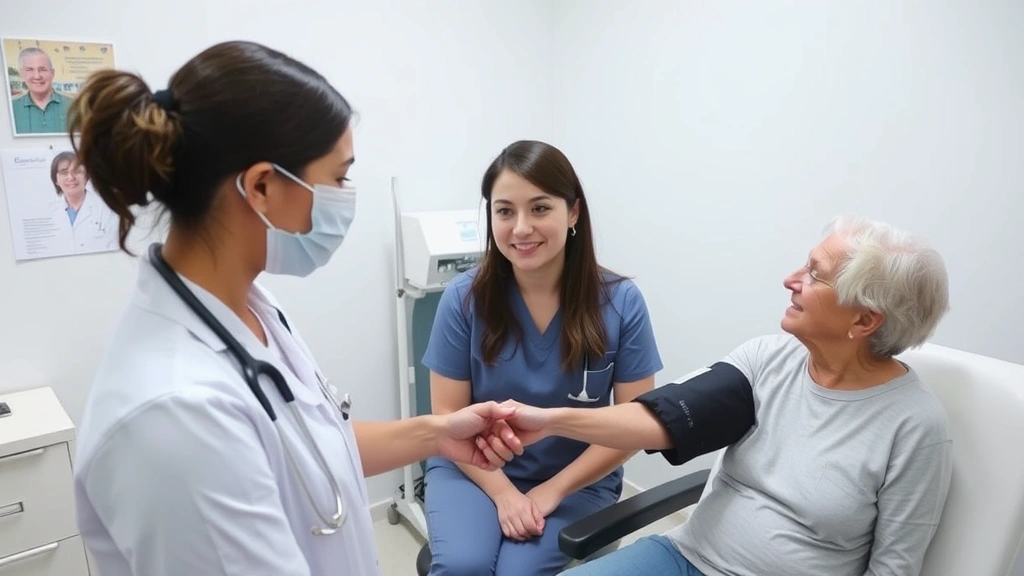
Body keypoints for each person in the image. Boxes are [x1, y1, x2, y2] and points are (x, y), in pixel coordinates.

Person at [68, 41, 525, 576]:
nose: (346, 196)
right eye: (339, 177)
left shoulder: (250, 308)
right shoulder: (175, 415)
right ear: (262, 186)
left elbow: (308, 449)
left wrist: (437, 435)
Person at [484, 216, 953, 576]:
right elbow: (661, 418)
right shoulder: (768, 359)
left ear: (864, 321)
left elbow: (894, 569)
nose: (791, 280)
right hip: (684, 557)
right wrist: (548, 420)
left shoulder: (913, 426)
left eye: (815, 274)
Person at [422, 140, 664, 575]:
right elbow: (446, 413)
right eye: (504, 211)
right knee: (463, 566)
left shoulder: (621, 302)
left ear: (573, 213)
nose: (520, 228)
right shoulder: (464, 298)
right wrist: (504, 494)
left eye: (539, 208)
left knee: (518, 573)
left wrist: (553, 490)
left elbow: (634, 424)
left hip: (578, 477)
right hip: (472, 465)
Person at [47, 151, 117, 253]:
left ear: (86, 176)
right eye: (64, 172)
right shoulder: (49, 211)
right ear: (56, 180)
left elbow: (115, 247)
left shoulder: (106, 208)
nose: (71, 177)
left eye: (77, 171)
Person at [12, 47, 71, 134]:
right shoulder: (10, 109)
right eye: (29, 70)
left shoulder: (75, 106)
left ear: (52, 73)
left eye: (42, 69)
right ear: (22, 75)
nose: (37, 76)